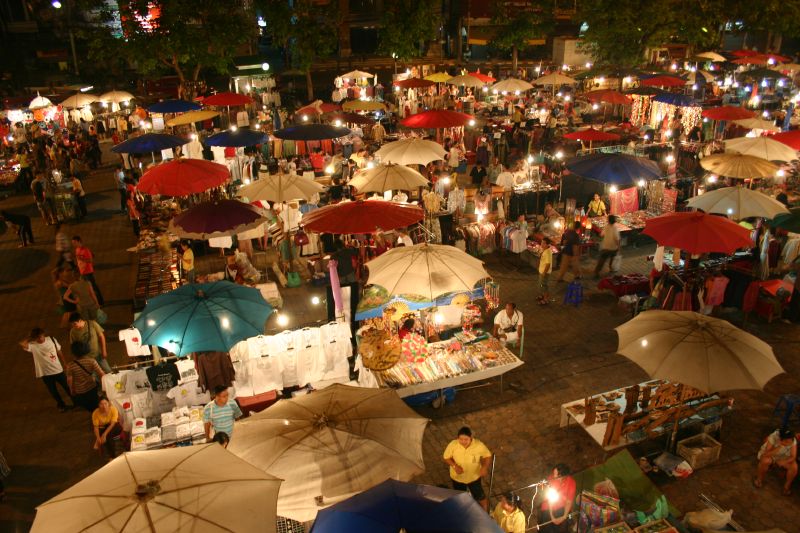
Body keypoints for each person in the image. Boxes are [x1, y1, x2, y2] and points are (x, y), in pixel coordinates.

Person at [19, 327, 72, 411]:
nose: (40, 339)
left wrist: (64, 363)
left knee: (67, 386)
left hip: (57, 369)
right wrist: (30, 337)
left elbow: (59, 351)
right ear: (34, 338)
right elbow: (22, 343)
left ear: (44, 334)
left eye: (41, 336)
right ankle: (61, 405)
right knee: (53, 391)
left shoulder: (51, 339)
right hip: (45, 373)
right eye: (37, 337)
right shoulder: (33, 345)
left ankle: (76, 401)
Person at [442, 426, 492, 511]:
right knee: (460, 496)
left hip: (474, 477)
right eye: (461, 439)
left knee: (480, 496)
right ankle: (463, 509)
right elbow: (446, 457)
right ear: (457, 438)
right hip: (457, 478)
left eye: (466, 439)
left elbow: (487, 456)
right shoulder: (453, 444)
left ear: (471, 438)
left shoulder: (478, 445)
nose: (463, 442)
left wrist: (485, 467)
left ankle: (485, 511)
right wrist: (455, 466)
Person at [755, 427, 797, 495]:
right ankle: (759, 479)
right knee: (765, 461)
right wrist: (779, 447)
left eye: (791, 441)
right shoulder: (773, 437)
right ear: (780, 439)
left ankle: (786, 487)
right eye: (787, 441)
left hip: (783, 456)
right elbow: (766, 454)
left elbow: (793, 456)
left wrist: (784, 462)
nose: (790, 443)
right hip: (771, 455)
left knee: (794, 467)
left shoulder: (792, 439)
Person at [65, 341, 105, 412]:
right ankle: (97, 416)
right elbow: (101, 374)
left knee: (87, 406)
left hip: (80, 391)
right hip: (92, 387)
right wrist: (104, 386)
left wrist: (72, 390)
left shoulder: (70, 366)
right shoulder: (92, 361)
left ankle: (92, 414)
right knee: (95, 404)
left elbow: (69, 380)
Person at [539, 464, 576, 533]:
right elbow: (550, 500)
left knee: (562, 528)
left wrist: (564, 517)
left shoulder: (571, 482)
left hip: (562, 506)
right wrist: (552, 517)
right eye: (554, 473)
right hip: (548, 507)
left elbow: (569, 501)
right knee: (547, 528)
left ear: (564, 476)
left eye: (557, 475)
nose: (554, 476)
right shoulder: (551, 479)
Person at [72, 236, 104, 306]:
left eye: (75, 243)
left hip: (88, 272)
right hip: (82, 272)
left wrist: (82, 259)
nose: (73, 244)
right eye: (73, 243)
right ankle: (95, 301)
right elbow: (78, 261)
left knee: (94, 287)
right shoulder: (77, 250)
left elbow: (90, 260)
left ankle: (100, 302)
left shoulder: (86, 250)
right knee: (87, 288)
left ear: (79, 241)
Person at [92, 395, 123, 459]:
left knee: (108, 436)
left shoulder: (113, 409)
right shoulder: (95, 413)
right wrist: (98, 437)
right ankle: (112, 456)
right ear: (98, 405)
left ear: (108, 403)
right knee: (107, 437)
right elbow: (96, 427)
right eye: (101, 404)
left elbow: (112, 424)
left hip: (114, 425)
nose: (104, 406)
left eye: (105, 403)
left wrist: (104, 434)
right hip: (103, 427)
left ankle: (112, 456)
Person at [538, 238, 553, 305]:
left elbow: (548, 264)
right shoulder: (546, 250)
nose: (542, 244)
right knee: (542, 285)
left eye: (544, 243)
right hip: (542, 271)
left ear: (547, 244)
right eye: (541, 242)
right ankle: (542, 296)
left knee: (544, 286)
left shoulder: (547, 252)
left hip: (545, 273)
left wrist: (544, 273)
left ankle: (546, 299)